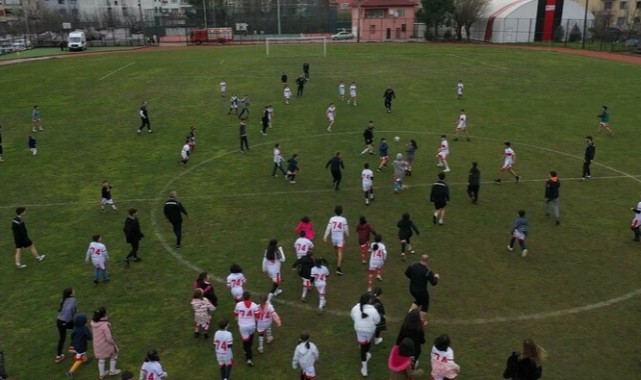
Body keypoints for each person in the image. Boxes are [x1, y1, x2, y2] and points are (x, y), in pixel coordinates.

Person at [350, 292, 381, 377]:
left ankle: (364, 368)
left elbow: (352, 316)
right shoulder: (373, 310)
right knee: (366, 344)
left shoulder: (355, 308)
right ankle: (365, 359)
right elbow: (378, 321)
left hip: (359, 330)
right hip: (369, 331)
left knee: (363, 346)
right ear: (369, 301)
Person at [405, 254, 439, 323]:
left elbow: (406, 273)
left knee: (419, 300)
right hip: (421, 292)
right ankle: (421, 320)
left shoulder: (413, 265)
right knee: (425, 303)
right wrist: (436, 277)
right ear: (427, 261)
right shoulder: (428, 272)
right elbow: (433, 283)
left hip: (412, 289)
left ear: (421, 259)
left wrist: (414, 278)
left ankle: (410, 313)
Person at [91, 307, 121, 379]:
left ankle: (101, 374)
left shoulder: (93, 323)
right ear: (103, 314)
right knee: (115, 353)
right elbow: (109, 338)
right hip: (106, 345)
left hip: (97, 344)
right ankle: (112, 371)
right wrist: (114, 342)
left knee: (101, 358)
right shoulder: (105, 325)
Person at [233, 291, 260, 366]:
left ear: (243, 297)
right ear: (250, 297)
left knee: (245, 342)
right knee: (251, 337)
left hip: (242, 326)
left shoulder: (238, 305)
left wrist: (237, 319)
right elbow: (258, 316)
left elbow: (235, 314)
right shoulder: (254, 305)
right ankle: (248, 352)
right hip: (252, 325)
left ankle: (249, 358)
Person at [323, 205, 349, 275]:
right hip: (340, 238)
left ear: (335, 211)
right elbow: (346, 228)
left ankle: (338, 258)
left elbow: (328, 228)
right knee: (340, 252)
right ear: (341, 212)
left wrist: (325, 236)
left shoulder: (332, 219)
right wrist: (347, 234)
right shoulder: (343, 219)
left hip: (333, 238)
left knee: (336, 248)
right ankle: (338, 268)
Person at [65, 313, 92, 379]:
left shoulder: (75, 328)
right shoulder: (84, 329)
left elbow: (72, 336)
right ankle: (70, 372)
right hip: (81, 347)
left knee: (82, 354)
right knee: (79, 359)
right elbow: (90, 337)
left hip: (75, 344)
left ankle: (85, 360)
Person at [55, 288, 78, 364]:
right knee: (77, 328)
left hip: (59, 321)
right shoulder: (73, 300)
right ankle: (72, 346)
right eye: (73, 291)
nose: (74, 291)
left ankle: (58, 356)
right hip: (65, 321)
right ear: (70, 294)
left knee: (62, 338)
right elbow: (71, 312)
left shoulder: (63, 299)